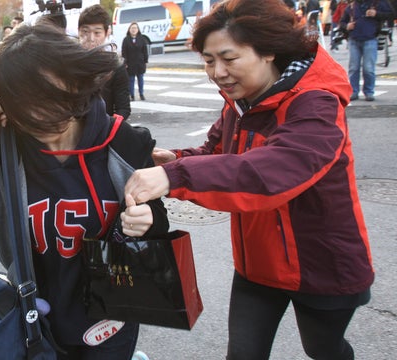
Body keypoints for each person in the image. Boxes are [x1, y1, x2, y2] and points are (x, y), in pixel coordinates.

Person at [124, 0, 374, 358]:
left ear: (268, 52)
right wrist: (175, 158)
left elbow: (274, 171)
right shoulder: (239, 103)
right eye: (209, 61)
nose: (218, 72)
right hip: (258, 265)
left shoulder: (317, 104)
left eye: (229, 58)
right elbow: (219, 154)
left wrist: (174, 174)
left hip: (323, 265)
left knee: (324, 349)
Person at [0, 23, 169, 359]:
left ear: (75, 82)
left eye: (52, 97)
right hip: (36, 321)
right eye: (25, 107)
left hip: (114, 317)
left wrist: (148, 220)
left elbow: (158, 225)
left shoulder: (124, 142)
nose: (42, 115)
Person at [78, 4, 131, 121]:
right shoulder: (70, 63)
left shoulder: (115, 66)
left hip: (103, 131)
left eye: (97, 33)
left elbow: (123, 109)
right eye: (85, 31)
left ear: (107, 33)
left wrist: (109, 127)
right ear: (78, 32)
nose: (91, 38)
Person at [340, 0, 394, 101]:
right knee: (353, 67)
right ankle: (353, 91)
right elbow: (342, 22)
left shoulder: (377, 3)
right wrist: (346, 26)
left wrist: (376, 14)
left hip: (370, 39)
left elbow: (391, 14)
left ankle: (369, 91)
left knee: (368, 68)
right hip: (354, 39)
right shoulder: (352, 6)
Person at [122, 22, 149, 101]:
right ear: (129, 30)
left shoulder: (142, 39)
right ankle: (132, 95)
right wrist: (125, 63)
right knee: (131, 80)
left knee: (140, 79)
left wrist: (145, 61)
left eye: (135, 28)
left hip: (140, 63)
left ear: (138, 30)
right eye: (132, 28)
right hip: (130, 63)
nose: (134, 30)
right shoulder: (126, 39)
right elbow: (124, 52)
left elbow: (145, 51)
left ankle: (141, 94)